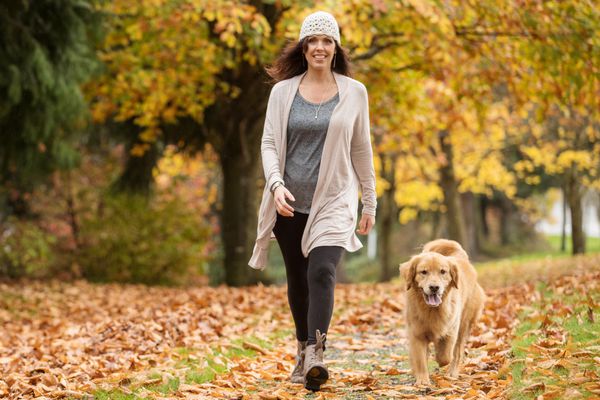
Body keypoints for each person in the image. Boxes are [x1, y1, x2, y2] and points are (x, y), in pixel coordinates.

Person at [248, 11, 377, 391]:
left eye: (327, 41)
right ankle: (302, 349)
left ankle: (317, 354)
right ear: (303, 48)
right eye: (313, 41)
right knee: (298, 279)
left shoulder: (355, 92)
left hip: (335, 198)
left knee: (322, 271)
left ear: (336, 48)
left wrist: (369, 201)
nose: (320, 47)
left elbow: (362, 148)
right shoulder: (282, 92)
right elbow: (269, 143)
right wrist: (275, 185)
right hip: (289, 199)